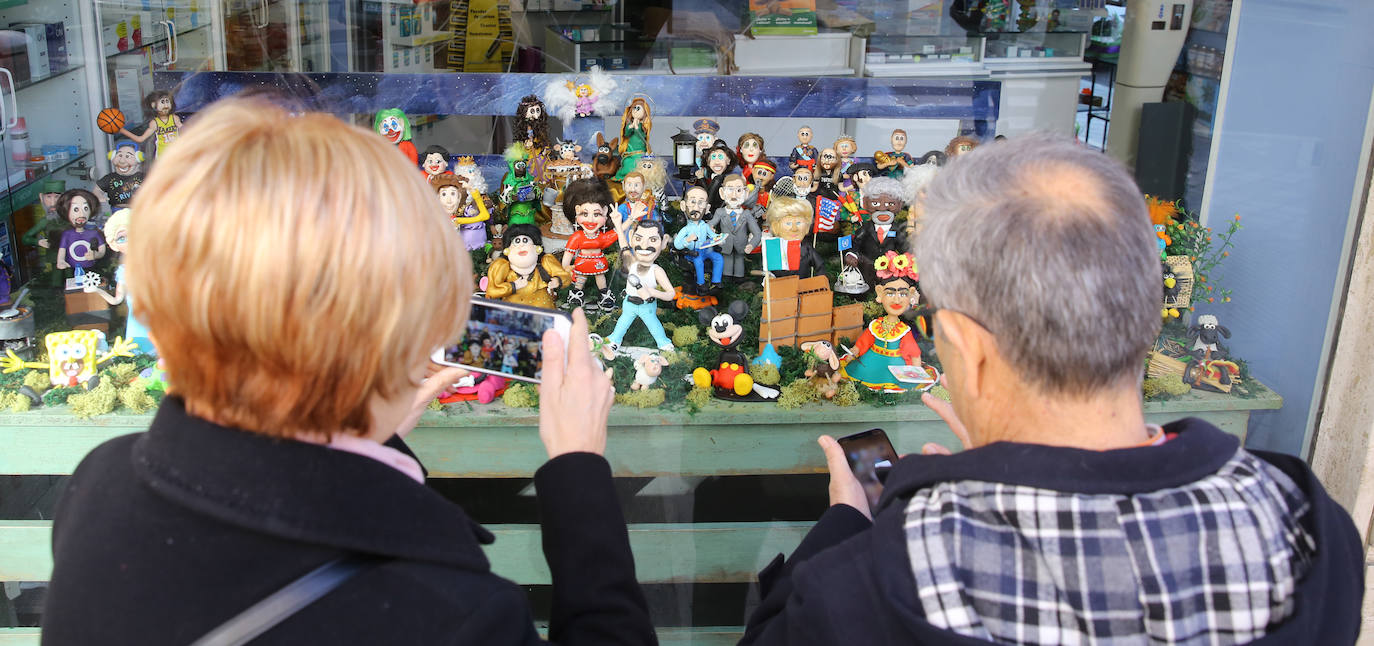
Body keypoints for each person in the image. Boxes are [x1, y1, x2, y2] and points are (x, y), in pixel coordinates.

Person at [41, 98, 657, 646]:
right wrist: (577, 468)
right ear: (397, 342)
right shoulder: (455, 614)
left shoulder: (102, 483)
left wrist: (366, 422)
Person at [741, 134, 1363, 645]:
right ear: (1146, 313)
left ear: (967, 347)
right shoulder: (1308, 525)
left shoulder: (876, 581)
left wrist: (846, 523)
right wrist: (1010, 454)